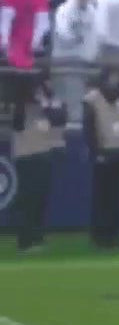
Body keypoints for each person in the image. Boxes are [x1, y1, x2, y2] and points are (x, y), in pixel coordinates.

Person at [10, 72, 67, 253]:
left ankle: (38, 237)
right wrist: (31, 102)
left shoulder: (48, 105)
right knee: (29, 200)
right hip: (26, 156)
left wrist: (45, 103)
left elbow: (59, 118)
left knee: (41, 200)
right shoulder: (20, 107)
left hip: (44, 154)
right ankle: (25, 241)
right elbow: (17, 124)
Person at [82, 66, 119, 250]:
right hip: (104, 153)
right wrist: (96, 152)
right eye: (112, 77)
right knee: (102, 197)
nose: (115, 81)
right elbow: (88, 128)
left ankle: (115, 235)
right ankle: (99, 236)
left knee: (118, 198)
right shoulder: (92, 99)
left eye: (117, 77)